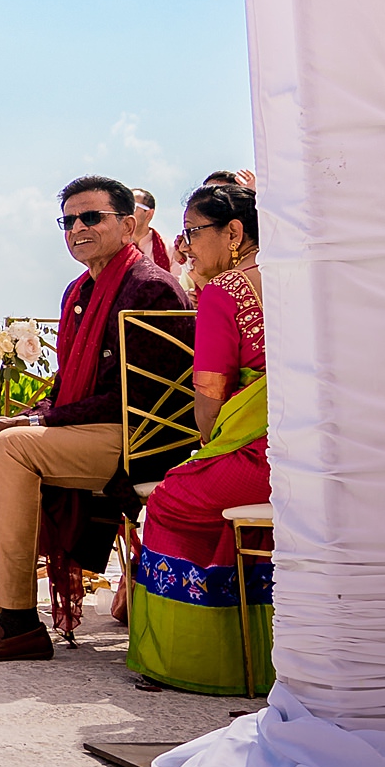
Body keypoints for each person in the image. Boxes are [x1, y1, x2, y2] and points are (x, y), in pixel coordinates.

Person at [0, 175, 190, 661]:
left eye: (91, 217)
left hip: (139, 440)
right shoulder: (80, 291)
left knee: (12, 446)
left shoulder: (150, 289)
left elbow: (134, 396)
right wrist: (15, 418)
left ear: (129, 225)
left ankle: (19, 623)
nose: (77, 228)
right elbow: (64, 389)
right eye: (68, 220)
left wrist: (29, 427)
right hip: (90, 431)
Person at [126, 184, 270, 695]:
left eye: (193, 232)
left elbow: (209, 392)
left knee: (172, 499)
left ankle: (195, 659)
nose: (184, 247)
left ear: (234, 233)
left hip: (271, 456)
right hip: (342, 448)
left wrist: (212, 445)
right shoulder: (310, 277)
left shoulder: (225, 290)